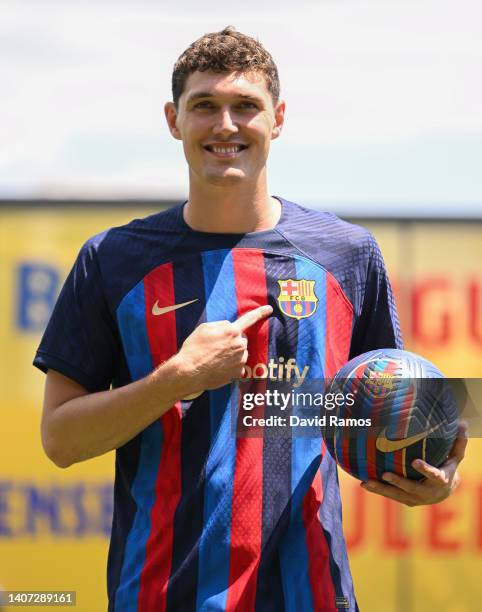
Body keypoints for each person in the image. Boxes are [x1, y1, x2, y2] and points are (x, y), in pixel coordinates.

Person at [34, 26, 466, 612]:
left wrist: (434, 478)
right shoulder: (111, 260)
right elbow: (60, 439)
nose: (226, 125)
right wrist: (178, 379)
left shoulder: (348, 255)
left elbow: (391, 409)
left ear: (279, 117)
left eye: (246, 106)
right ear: (173, 119)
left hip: (310, 595)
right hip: (159, 597)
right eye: (204, 106)